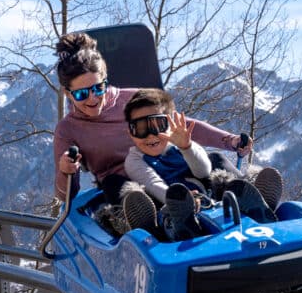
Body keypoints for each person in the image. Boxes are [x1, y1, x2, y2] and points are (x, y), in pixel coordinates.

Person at [52, 31, 274, 236]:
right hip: (132, 186)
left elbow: (180, 125)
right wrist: (66, 171)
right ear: (67, 93)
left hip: (169, 167)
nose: (92, 98)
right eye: (81, 94)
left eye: (98, 88)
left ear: (105, 80)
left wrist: (230, 141)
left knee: (214, 159)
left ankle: (254, 201)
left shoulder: (134, 99)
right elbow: (65, 196)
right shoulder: (68, 129)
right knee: (113, 184)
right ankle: (153, 222)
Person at [122, 88, 283, 241]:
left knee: (216, 159)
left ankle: (257, 204)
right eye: (141, 128)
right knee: (161, 207)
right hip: (175, 208)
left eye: (159, 126)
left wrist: (186, 147)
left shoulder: (181, 143)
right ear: (130, 132)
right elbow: (153, 183)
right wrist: (180, 200)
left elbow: (204, 171)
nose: (151, 135)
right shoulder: (134, 160)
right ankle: (181, 229)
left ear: (171, 125)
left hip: (211, 202)